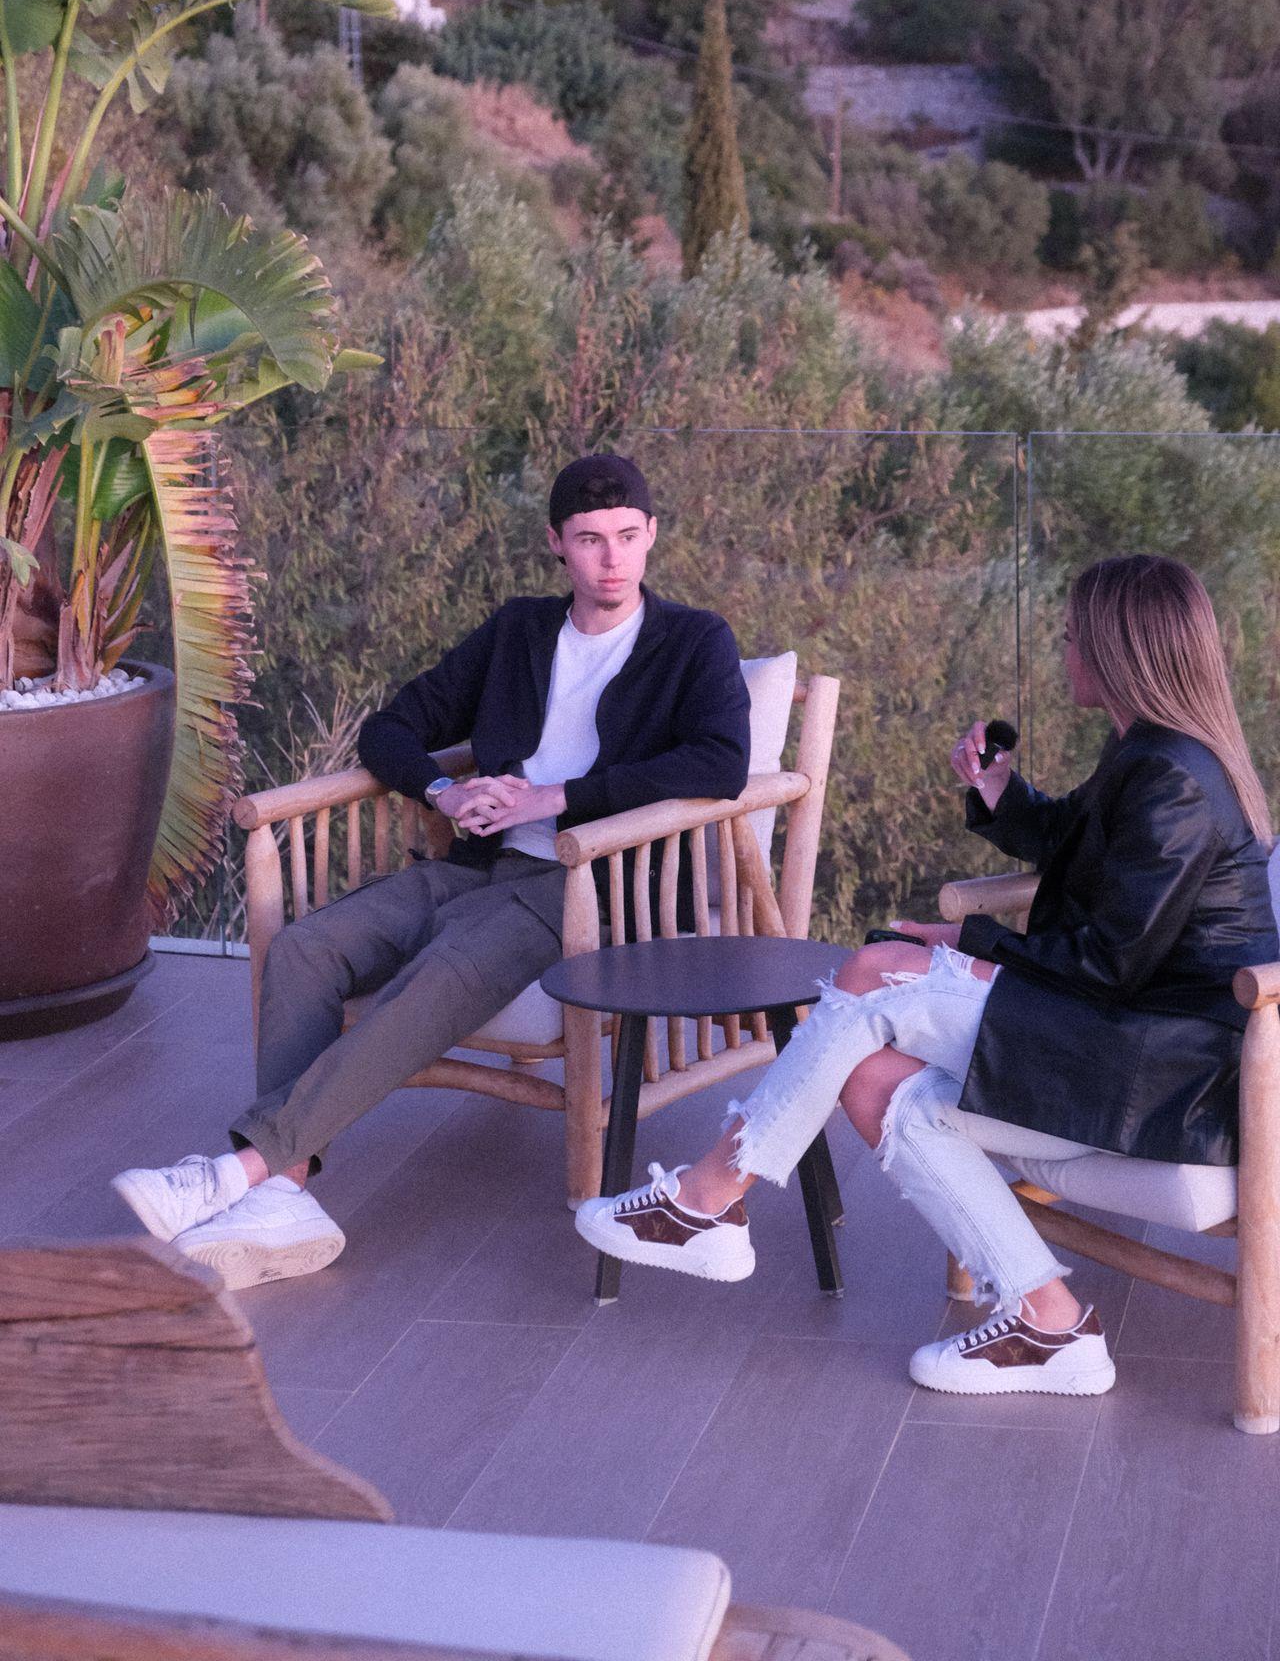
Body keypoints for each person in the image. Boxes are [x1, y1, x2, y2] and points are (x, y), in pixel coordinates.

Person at [577, 554, 1278, 1397]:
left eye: (1072, 634)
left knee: (877, 970)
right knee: (872, 1079)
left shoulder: (1174, 777)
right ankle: (1051, 1323)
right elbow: (1080, 849)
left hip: (1171, 1071)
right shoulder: (1152, 754)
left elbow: (1108, 962)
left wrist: (967, 940)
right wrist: (1000, 792)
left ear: (1115, 648)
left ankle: (710, 1198)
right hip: (1128, 1035)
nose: (1063, 646)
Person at [112, 454, 751, 1288]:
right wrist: (446, 792)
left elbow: (722, 763)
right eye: (590, 540)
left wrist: (555, 798)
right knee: (306, 948)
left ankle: (240, 1172)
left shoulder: (693, 641)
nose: (612, 559)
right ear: (556, 543)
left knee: (441, 970)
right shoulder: (520, 631)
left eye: (629, 537)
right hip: (475, 863)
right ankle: (288, 1193)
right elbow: (392, 728)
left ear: (652, 534)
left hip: (583, 882)